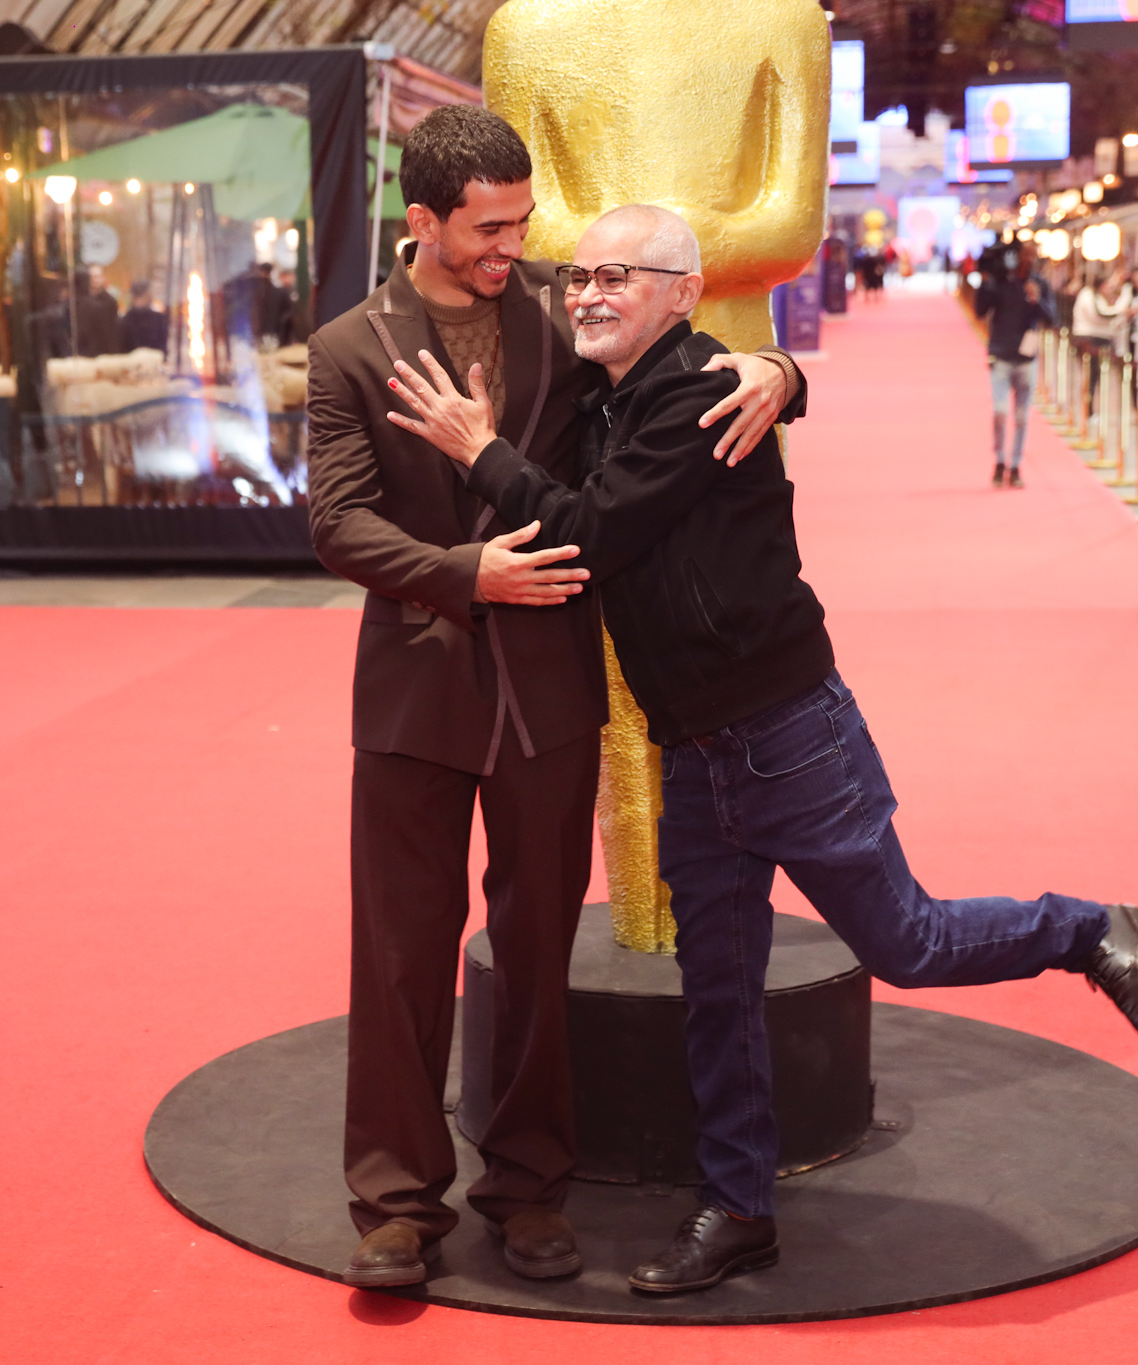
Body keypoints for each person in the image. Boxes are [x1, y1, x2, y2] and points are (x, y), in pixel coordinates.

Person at [383, 201, 1138, 1296]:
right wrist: (786, 368)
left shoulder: (702, 393)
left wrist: (481, 451)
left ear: (680, 294)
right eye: (580, 278)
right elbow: (502, 276)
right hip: (691, 749)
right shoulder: (608, 394)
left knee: (905, 941)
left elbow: (589, 536)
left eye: (618, 276)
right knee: (717, 990)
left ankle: (1088, 929)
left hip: (787, 732)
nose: (589, 293)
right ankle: (739, 1208)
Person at [305, 105, 801, 1292]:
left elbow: (683, 372)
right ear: (422, 221)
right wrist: (460, 573)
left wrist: (777, 370)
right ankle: (394, 1201)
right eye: (488, 229)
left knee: (536, 948)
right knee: (398, 953)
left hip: (549, 686)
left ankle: (528, 1189)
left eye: (520, 223)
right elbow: (336, 522)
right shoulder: (348, 348)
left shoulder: (563, 311)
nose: (512, 247)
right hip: (415, 689)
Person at [973, 249, 1057, 488]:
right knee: (1000, 412)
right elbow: (980, 310)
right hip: (1001, 354)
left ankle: (1016, 465)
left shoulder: (1039, 284)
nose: (1025, 262)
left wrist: (1036, 299)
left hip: (1026, 358)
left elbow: (1052, 319)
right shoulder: (1000, 283)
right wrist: (986, 281)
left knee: (1021, 416)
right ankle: (1000, 460)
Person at [71, 267, 121, 357]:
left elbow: (112, 329)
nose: (94, 280)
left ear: (103, 278)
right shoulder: (80, 301)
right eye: (91, 277)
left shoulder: (110, 301)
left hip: (103, 350)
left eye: (97, 276)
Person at [120, 280, 167, 354]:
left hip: (131, 360)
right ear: (147, 294)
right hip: (153, 360)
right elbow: (162, 347)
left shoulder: (124, 320)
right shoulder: (159, 319)